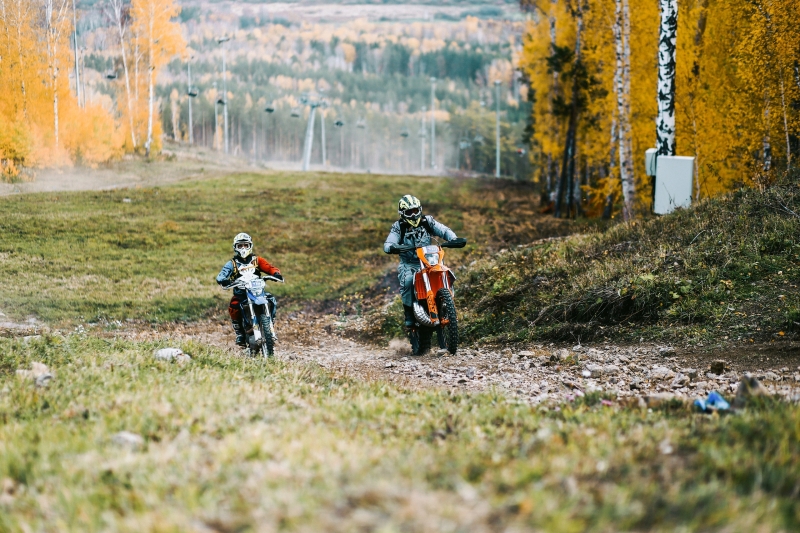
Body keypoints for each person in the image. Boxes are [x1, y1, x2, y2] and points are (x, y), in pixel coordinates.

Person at [383, 195, 457, 328]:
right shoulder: (399, 227)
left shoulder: (427, 221)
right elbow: (389, 242)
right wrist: (392, 247)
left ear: (420, 210)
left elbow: (444, 230)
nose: (413, 215)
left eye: (415, 210)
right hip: (410, 263)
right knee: (407, 281)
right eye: (409, 212)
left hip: (429, 260)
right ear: (402, 214)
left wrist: (453, 238)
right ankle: (409, 315)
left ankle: (448, 303)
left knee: (444, 272)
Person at [216, 232, 283, 347]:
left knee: (271, 299)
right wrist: (224, 280)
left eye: (245, 245)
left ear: (250, 246)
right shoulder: (231, 264)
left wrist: (276, 273)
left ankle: (270, 321)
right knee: (234, 304)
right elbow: (221, 275)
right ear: (235, 247)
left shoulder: (257, 260)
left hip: (257, 291)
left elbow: (269, 267)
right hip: (241, 293)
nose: (243, 248)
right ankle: (240, 333)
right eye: (240, 246)